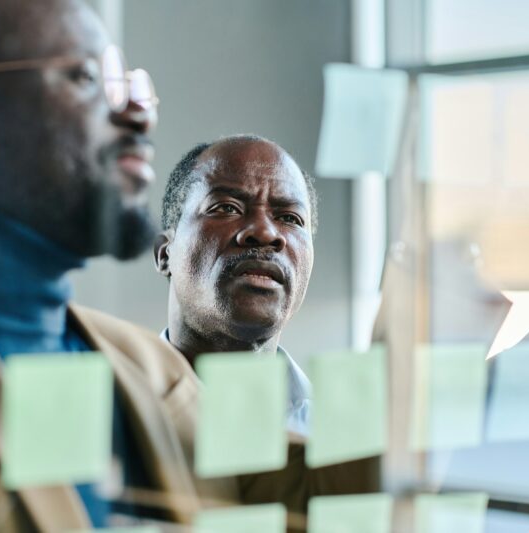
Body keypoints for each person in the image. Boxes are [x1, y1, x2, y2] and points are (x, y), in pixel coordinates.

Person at [0, 1, 292, 531]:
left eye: (128, 85)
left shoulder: (143, 365)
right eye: (83, 76)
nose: (137, 114)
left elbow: (281, 491)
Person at [153, 134, 380, 519]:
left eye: (290, 218)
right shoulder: (110, 412)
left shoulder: (348, 441)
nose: (265, 232)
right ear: (165, 254)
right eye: (225, 207)